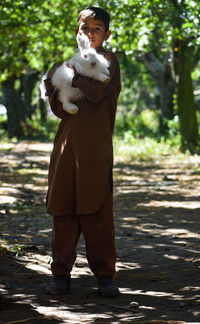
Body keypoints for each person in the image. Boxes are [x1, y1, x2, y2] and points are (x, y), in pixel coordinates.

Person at [44, 6, 121, 297]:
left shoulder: (109, 61)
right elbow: (59, 109)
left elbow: (96, 91)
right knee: (63, 208)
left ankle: (105, 276)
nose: (89, 34)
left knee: (97, 209)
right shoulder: (70, 63)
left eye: (96, 29)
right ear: (77, 32)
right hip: (66, 147)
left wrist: (67, 75)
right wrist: (52, 84)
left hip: (95, 150)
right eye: (84, 28)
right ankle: (60, 273)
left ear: (106, 34)